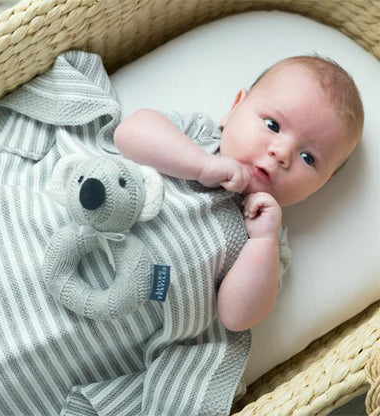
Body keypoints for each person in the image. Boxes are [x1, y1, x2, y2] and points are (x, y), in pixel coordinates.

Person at [114, 55, 364, 332]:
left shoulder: (267, 243)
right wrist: (201, 165)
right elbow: (128, 133)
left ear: (320, 185)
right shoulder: (196, 137)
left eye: (308, 158)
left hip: (123, 329)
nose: (281, 153)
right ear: (234, 109)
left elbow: (236, 318)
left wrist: (263, 240)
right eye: (273, 126)